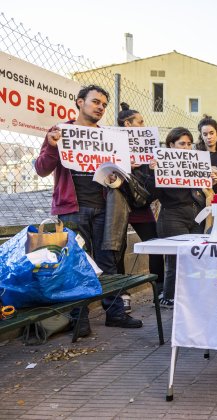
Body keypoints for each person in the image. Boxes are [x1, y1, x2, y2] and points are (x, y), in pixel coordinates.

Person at [34, 85, 143, 336]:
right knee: (77, 263)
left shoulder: (110, 138)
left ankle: (115, 313)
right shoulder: (60, 132)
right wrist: (51, 147)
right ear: (80, 102)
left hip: (107, 207)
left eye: (104, 104)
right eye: (95, 102)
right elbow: (41, 168)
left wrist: (127, 166)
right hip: (72, 208)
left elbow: (118, 174)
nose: (100, 107)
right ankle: (78, 317)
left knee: (109, 259)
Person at [149, 127, 213, 307]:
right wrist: (154, 172)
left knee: (195, 258)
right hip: (172, 216)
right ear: (171, 145)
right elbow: (150, 194)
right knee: (175, 259)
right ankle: (169, 297)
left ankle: (190, 298)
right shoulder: (161, 164)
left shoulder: (194, 163)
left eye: (189, 144)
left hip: (196, 215)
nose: (186, 147)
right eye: (182, 143)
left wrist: (209, 180)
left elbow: (202, 189)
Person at [116, 102, 164, 312]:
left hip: (140, 207)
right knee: (117, 250)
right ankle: (121, 295)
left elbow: (150, 187)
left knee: (155, 244)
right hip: (118, 204)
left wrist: (153, 170)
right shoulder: (112, 144)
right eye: (140, 122)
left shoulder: (146, 148)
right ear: (128, 124)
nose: (144, 125)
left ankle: (159, 289)